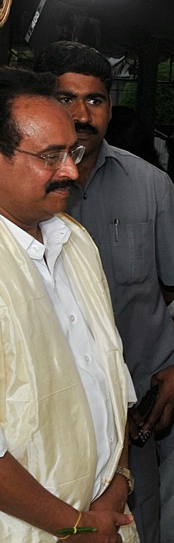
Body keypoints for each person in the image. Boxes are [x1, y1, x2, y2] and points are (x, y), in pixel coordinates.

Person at [34, 41, 174, 543]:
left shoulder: (150, 184)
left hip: (136, 413)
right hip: (47, 410)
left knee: (138, 528)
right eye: (66, 98)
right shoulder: (20, 189)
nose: (83, 114)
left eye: (95, 100)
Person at [0, 66, 138, 542]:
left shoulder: (75, 240)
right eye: (50, 156)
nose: (72, 171)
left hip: (105, 518)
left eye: (73, 152)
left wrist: (115, 488)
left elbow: (110, 377)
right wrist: (76, 527)